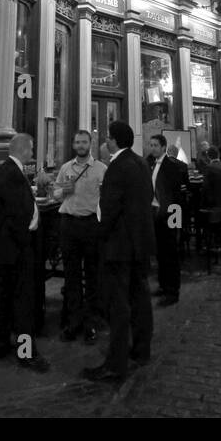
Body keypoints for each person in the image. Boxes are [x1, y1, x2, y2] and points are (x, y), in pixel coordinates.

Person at [83, 121, 155, 383]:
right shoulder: (140, 163)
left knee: (118, 304)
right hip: (140, 243)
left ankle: (116, 363)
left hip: (120, 246)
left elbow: (110, 209)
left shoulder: (116, 167)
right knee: (140, 298)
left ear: (113, 141)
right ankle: (141, 350)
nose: (105, 141)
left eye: (107, 138)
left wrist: (99, 236)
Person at [0, 133, 49, 373]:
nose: (33, 153)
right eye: (31, 148)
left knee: (4, 298)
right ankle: (26, 353)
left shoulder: (10, 171)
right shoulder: (12, 173)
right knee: (23, 301)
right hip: (16, 249)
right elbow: (18, 214)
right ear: (23, 150)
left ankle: (0, 345)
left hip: (7, 248)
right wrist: (28, 240)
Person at [54, 130, 107, 343]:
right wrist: (63, 191)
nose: (81, 145)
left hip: (91, 225)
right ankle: (73, 322)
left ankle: (90, 323)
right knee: (71, 275)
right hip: (69, 225)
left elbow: (106, 199)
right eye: (77, 142)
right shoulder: (66, 168)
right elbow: (55, 194)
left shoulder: (102, 169)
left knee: (92, 276)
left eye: (84, 142)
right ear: (74, 145)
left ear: (90, 144)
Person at [148, 135, 189, 306]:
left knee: (170, 253)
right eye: (151, 145)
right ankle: (164, 285)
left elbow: (176, 195)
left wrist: (176, 221)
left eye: (156, 145)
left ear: (164, 147)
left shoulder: (171, 166)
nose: (153, 148)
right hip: (157, 214)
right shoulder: (152, 164)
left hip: (169, 214)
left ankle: (173, 291)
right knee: (161, 252)